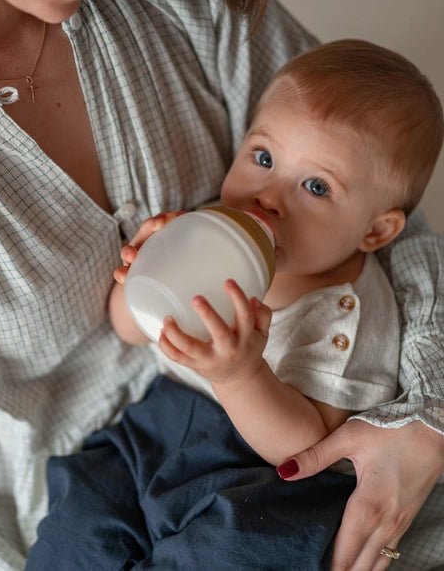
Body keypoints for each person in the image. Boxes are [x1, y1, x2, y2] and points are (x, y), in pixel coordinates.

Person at [0, 0, 442, 569]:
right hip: (82, 478)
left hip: (266, 474)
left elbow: (383, 197)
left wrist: (427, 422)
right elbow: (135, 324)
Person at [26, 38, 443, 569]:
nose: (267, 196)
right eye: (263, 157)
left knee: (228, 552)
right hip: (154, 430)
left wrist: (240, 375)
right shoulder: (209, 233)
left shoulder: (349, 311)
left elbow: (303, 447)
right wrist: (144, 274)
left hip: (259, 485)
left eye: (316, 186)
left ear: (375, 231)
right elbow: (130, 329)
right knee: (78, 527)